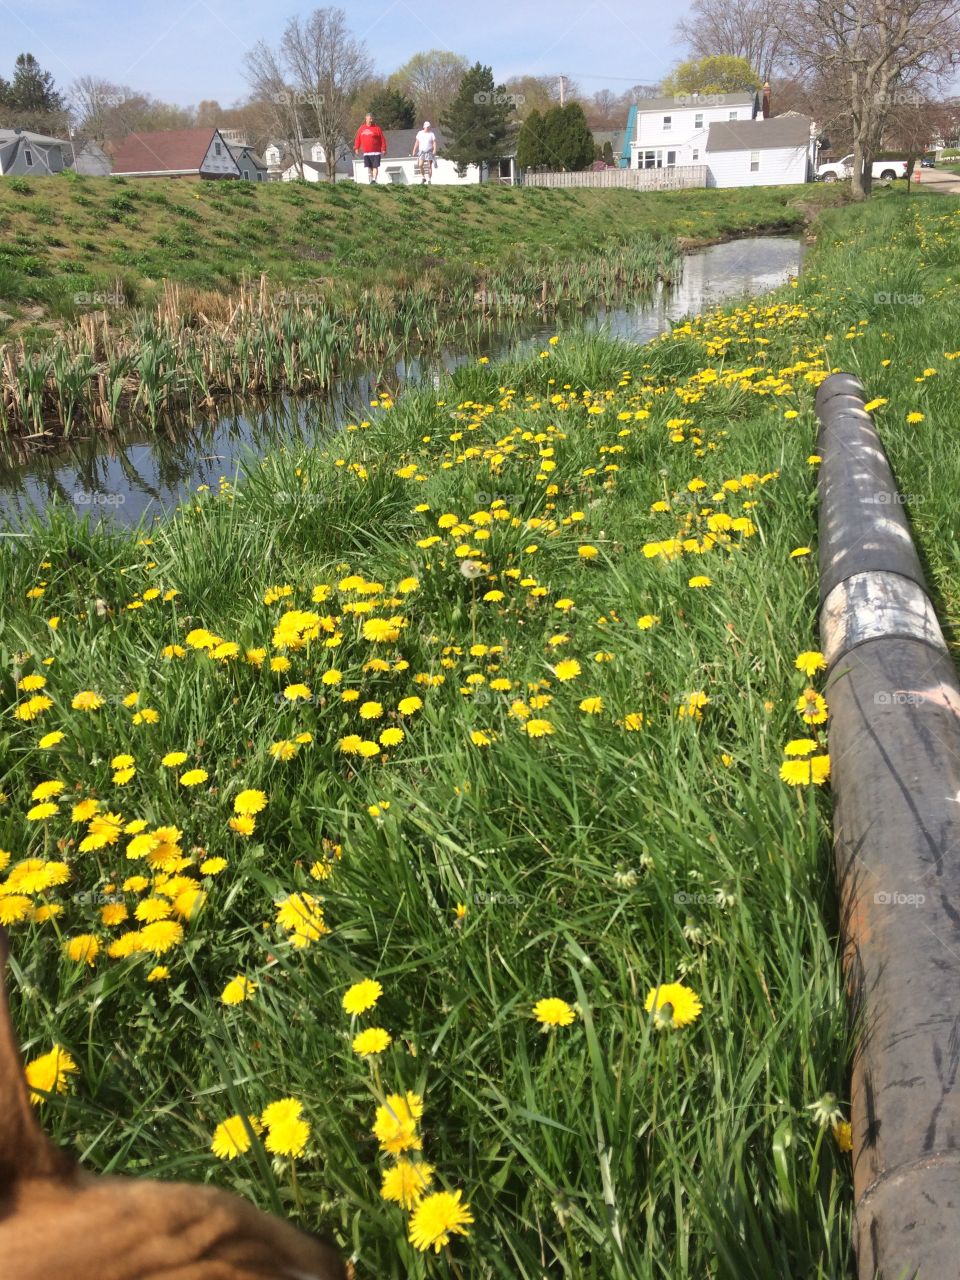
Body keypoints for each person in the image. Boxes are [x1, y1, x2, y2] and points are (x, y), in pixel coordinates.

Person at [353, 113, 387, 184]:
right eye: (370, 119)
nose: (371, 120)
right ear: (366, 119)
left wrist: (383, 149)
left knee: (375, 166)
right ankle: (372, 179)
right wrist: (356, 148)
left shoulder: (377, 128)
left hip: (376, 151)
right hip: (366, 152)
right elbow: (357, 139)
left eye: (372, 118)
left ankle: (374, 179)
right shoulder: (361, 128)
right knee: (370, 167)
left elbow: (382, 139)